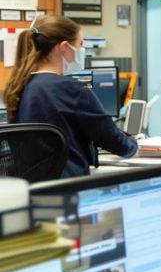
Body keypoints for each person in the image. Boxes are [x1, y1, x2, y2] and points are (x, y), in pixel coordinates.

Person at [4, 15, 138, 178]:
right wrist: (135, 146)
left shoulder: (18, 87)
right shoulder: (71, 88)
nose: (82, 51)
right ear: (64, 47)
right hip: (70, 187)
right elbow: (113, 140)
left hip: (32, 190)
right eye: (80, 44)